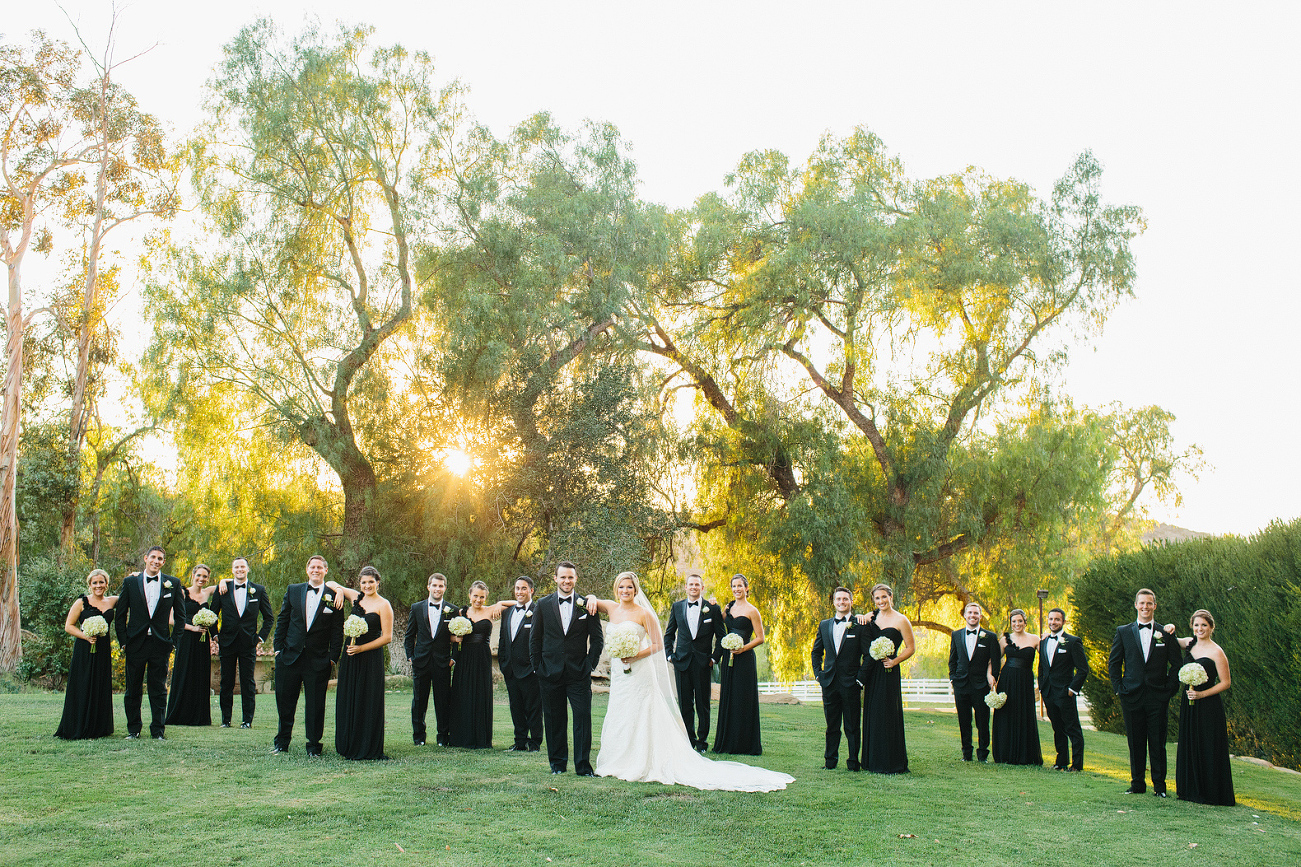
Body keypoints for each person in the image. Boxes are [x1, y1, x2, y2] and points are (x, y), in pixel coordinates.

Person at [587, 572, 793, 791]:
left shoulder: (646, 613)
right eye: (621, 587)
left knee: (676, 707)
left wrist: (636, 655)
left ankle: (676, 750)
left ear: (636, 590)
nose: (625, 591)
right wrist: (591, 596)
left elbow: (664, 641)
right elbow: (590, 601)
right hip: (626, 673)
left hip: (653, 669)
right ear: (616, 589)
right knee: (624, 711)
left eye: (629, 588)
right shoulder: (611, 607)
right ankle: (620, 759)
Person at [529, 561, 603, 775]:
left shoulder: (587, 604)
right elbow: (535, 639)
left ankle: (583, 767)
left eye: (570, 577)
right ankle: (558, 765)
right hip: (549, 673)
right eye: (562, 577)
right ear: (555, 579)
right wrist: (538, 667)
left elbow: (597, 640)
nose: (566, 581)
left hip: (578, 673)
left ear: (576, 578)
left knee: (582, 719)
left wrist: (589, 665)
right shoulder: (542, 605)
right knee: (554, 720)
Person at [1108, 588, 1181, 796]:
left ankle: (1160, 787)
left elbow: (1176, 664)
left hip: (1158, 697)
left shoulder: (1166, 633)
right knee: (1135, 742)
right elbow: (1114, 663)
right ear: (1136, 605)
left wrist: (1169, 689)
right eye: (1142, 603)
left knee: (1158, 743)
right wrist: (1118, 689)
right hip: (1131, 695)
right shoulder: (1123, 631)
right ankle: (1137, 784)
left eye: (1149, 603)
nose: (1145, 607)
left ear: (1155, 606)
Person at [272, 554, 344, 756]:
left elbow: (337, 631)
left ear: (326, 571)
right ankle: (282, 743)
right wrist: (278, 649)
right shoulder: (293, 590)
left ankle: (313, 746)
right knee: (285, 702)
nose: (316, 570)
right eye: (313, 567)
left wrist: (332, 658)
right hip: (289, 657)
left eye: (320, 567)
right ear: (307, 569)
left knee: (315, 705)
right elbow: (283, 620)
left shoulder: (334, 596)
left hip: (318, 660)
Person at [114, 546, 188, 739]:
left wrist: (173, 642)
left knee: (158, 689)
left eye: (160, 558)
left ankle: (158, 731)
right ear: (145, 558)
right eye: (153, 557)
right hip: (135, 643)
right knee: (133, 690)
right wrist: (123, 642)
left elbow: (181, 617)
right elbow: (120, 615)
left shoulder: (173, 583)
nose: (156, 561)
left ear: (164, 562)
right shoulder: (130, 582)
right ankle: (133, 730)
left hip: (160, 644)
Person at [326, 566, 393, 760]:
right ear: (359, 583)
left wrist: (362, 649)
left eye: (371, 582)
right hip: (350, 655)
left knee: (367, 697)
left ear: (378, 582)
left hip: (370, 656)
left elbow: (387, 637)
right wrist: (339, 590)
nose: (367, 585)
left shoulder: (384, 605)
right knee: (349, 695)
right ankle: (348, 743)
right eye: (364, 582)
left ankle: (367, 746)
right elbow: (329, 583)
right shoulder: (356, 597)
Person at [1171, 609, 1235, 805]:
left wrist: (1201, 694)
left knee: (1208, 744)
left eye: (1204, 625)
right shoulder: (1189, 644)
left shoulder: (1217, 651)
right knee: (1190, 741)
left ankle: (1210, 792)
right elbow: (1171, 638)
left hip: (1208, 704)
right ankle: (1190, 789)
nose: (1200, 628)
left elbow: (1226, 682)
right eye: (1196, 625)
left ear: (1211, 627)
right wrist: (1168, 628)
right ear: (1192, 626)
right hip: (1189, 702)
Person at [449, 580, 515, 748]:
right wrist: (456, 639)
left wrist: (500, 603)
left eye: (482, 597)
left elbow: (520, 603)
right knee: (462, 692)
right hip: (465, 656)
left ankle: (480, 738)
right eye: (475, 596)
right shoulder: (461, 612)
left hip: (482, 656)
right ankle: (461, 737)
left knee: (480, 692)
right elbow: (450, 636)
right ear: (470, 595)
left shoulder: (491, 610)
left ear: (486, 598)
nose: (478, 600)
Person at [663, 572, 725, 752]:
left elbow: (721, 636)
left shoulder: (712, 609)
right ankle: (688, 740)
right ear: (685, 587)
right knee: (685, 704)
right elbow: (669, 634)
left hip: (703, 663)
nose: (694, 587)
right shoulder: (677, 607)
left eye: (697, 585)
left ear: (702, 588)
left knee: (703, 705)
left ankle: (702, 742)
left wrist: (714, 658)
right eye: (691, 584)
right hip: (681, 663)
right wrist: (669, 655)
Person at [55, 569, 118, 739]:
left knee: (100, 683)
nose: (98, 585)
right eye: (95, 583)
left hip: (103, 650)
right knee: (83, 683)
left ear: (106, 584)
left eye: (101, 582)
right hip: (85, 649)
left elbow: (133, 594)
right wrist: (86, 636)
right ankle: (79, 724)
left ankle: (98, 727)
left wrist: (136, 576)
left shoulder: (112, 601)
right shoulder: (81, 602)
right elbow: (69, 626)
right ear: (89, 585)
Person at [212, 557, 274, 728]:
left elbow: (269, 618)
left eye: (242, 567)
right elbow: (212, 614)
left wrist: (260, 638)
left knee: (248, 682)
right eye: (236, 567)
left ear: (248, 569)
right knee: (226, 682)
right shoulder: (223, 588)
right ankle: (226, 720)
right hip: (227, 642)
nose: (239, 569)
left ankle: (247, 720)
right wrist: (215, 635)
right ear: (232, 570)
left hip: (248, 643)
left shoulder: (259, 590)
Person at [811, 586, 867, 771]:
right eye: (838, 599)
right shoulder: (824, 624)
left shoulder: (859, 625)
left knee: (852, 726)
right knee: (832, 726)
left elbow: (868, 656)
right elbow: (816, 652)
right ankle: (830, 762)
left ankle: (853, 763)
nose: (841, 602)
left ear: (851, 601)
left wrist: (860, 679)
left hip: (851, 683)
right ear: (833, 602)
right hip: (829, 683)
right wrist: (819, 674)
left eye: (845, 599)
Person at [859, 583, 913, 774]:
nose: (881, 601)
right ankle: (871, 761)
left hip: (889, 671)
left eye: (884, 597)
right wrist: (861, 617)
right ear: (874, 600)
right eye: (877, 598)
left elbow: (910, 647)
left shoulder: (901, 620)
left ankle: (891, 762)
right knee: (872, 712)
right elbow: (860, 625)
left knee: (887, 713)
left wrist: (894, 661)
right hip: (872, 672)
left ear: (891, 597)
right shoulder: (870, 617)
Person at [714, 573, 766, 756]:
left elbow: (760, 638)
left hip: (744, 659)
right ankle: (727, 741)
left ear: (746, 588)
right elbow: (716, 622)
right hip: (728, 658)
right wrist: (712, 605)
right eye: (733, 586)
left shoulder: (753, 611)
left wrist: (743, 649)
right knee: (729, 696)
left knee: (743, 697)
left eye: (739, 586)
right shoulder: (728, 608)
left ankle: (745, 744)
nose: (736, 589)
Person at [404, 572, 457, 746]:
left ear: (445, 588)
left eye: (441, 586)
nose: (437, 589)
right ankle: (418, 736)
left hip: (442, 662)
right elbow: (409, 635)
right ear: (428, 586)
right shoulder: (417, 608)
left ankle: (443, 737)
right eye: (434, 585)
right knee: (419, 700)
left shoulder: (452, 610)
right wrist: (411, 657)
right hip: (421, 661)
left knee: (443, 701)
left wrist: (453, 658)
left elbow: (458, 635)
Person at [164, 564, 218, 726]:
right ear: (192, 575)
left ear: (208, 578)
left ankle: (199, 717)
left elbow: (229, 582)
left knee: (200, 674)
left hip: (202, 641)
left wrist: (223, 583)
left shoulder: (208, 592)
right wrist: (192, 628)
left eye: (205, 576)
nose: (201, 579)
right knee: (184, 672)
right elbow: (171, 619)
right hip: (186, 638)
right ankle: (179, 715)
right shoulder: (182, 592)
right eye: (199, 575)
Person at [948, 601, 1000, 762]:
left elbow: (996, 660)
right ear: (964, 615)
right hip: (961, 684)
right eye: (969, 613)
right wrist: (953, 678)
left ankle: (983, 754)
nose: (972, 615)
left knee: (983, 722)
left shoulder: (990, 637)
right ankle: (966, 754)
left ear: (980, 616)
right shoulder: (956, 635)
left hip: (981, 686)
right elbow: (953, 659)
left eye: (976, 613)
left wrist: (992, 678)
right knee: (964, 721)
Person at [1038, 607, 1089, 771]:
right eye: (1051, 619)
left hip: (1065, 692)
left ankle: (1077, 765)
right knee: (1057, 728)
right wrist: (1041, 687)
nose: (1053, 622)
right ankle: (1061, 761)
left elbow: (1083, 669)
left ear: (1063, 622)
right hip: (1048, 692)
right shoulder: (1044, 641)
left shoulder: (1073, 641)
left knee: (1072, 728)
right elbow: (1042, 667)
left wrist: (1072, 689)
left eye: (1057, 619)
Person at [991, 609, 1042, 766]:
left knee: (1024, 713)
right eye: (1014, 621)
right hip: (1007, 680)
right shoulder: (1004, 640)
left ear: (1025, 622)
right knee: (1007, 714)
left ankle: (1025, 755)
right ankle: (1005, 753)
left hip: (1025, 680)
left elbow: (1047, 658)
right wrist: (991, 675)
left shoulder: (1035, 639)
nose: (1017, 624)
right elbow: (994, 660)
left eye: (1020, 621)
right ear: (1011, 623)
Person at [498, 575, 543, 752]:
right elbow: (504, 640)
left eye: (524, 588)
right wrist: (503, 663)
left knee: (533, 708)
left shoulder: (538, 611)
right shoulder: (507, 613)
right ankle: (520, 741)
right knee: (515, 707)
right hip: (510, 669)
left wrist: (536, 666)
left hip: (530, 670)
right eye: (517, 588)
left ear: (531, 590)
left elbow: (542, 641)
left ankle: (535, 742)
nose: (520, 592)